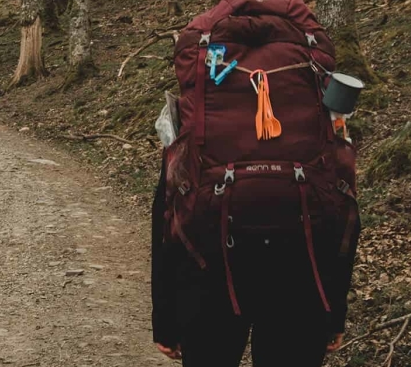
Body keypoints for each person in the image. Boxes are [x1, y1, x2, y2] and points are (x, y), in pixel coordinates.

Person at [151, 152, 359, 366]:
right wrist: (334, 311)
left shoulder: (196, 117)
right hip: (301, 280)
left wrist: (164, 318)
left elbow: (167, 213)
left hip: (209, 275)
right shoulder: (325, 117)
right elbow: (344, 214)